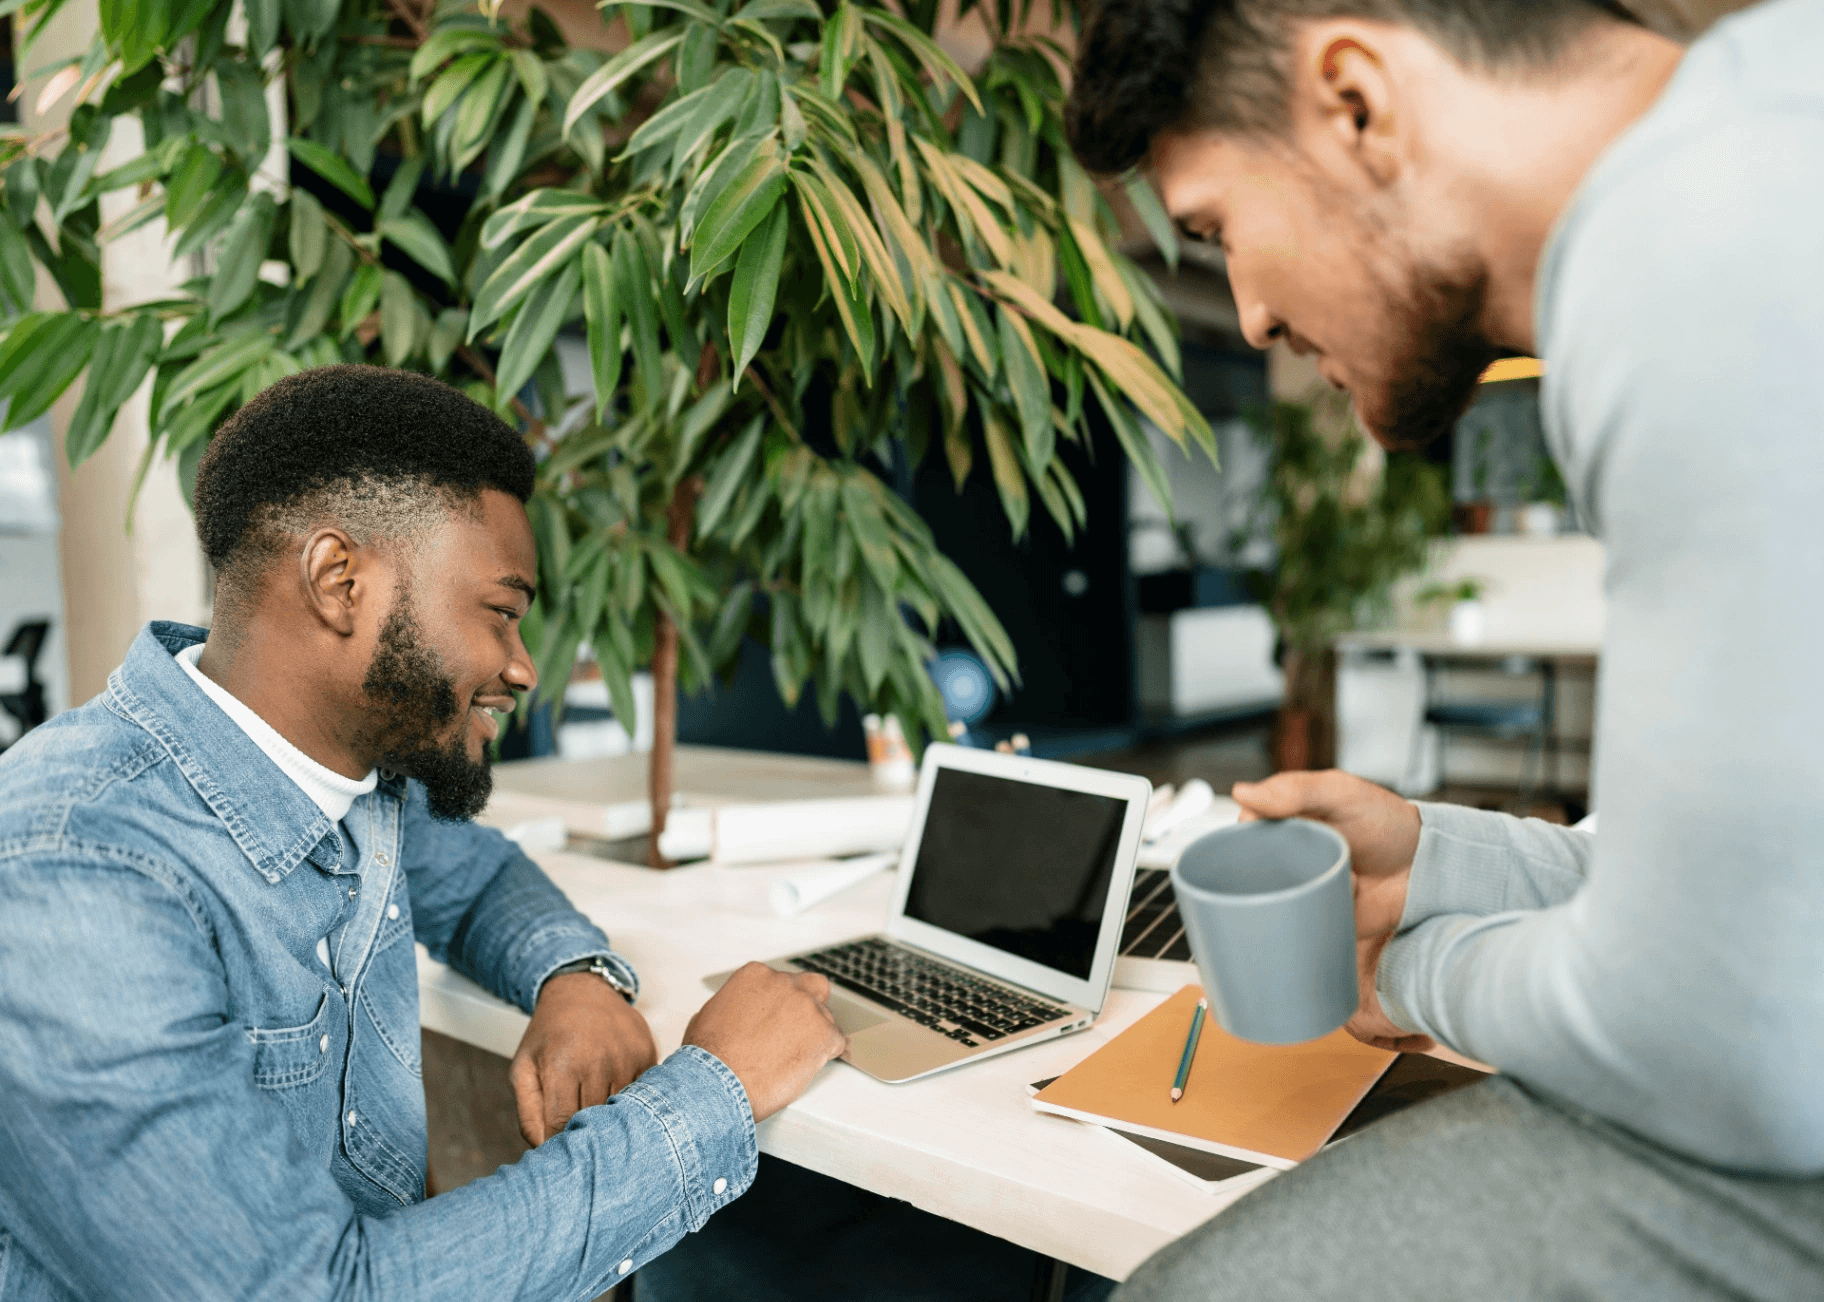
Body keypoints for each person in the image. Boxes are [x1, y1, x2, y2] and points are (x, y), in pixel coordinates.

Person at [1067, 0, 1824, 1296]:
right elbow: (1740, 897)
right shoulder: (1764, 129)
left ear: (1356, 101)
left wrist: (1408, 975)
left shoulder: (1696, 250)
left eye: (1213, 229)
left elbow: (1724, 1038)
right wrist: (1437, 862)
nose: (1245, 315)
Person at [0, 364, 849, 1300]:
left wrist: (576, 978)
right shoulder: (71, 870)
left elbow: (481, 880)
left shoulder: (349, 771)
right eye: (502, 613)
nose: (523, 668)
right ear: (339, 580)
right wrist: (715, 1089)